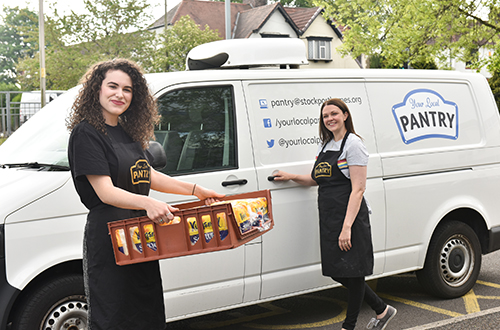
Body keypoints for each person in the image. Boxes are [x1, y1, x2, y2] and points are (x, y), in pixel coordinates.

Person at [66, 58, 224, 330]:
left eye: (127, 89)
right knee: (114, 315)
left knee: (145, 310)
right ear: (96, 90)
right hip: (110, 235)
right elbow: (105, 191)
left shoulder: (127, 133)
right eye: (113, 86)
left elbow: (147, 174)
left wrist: (196, 190)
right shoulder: (86, 133)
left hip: (141, 234)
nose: (120, 94)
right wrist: (148, 202)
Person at [273, 98, 397, 330]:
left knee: (354, 271)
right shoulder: (325, 145)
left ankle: (348, 326)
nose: (329, 118)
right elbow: (314, 178)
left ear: (345, 115)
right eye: (325, 116)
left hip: (350, 217)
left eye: (334, 113)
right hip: (329, 218)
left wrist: (347, 226)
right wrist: (291, 176)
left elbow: (358, 188)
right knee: (337, 272)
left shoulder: (353, 145)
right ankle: (382, 309)